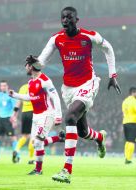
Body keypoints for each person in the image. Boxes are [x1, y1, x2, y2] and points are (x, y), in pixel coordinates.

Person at [26, 7, 121, 183]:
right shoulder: (56, 39)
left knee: (69, 116)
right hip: (68, 88)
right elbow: (41, 63)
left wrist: (112, 75)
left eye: (69, 17)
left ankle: (66, 170)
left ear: (77, 20)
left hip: (87, 83)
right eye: (63, 17)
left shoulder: (89, 36)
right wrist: (34, 63)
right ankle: (100, 137)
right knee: (82, 131)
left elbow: (108, 48)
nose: (65, 20)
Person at [9, 60, 63, 175]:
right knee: (35, 143)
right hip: (36, 116)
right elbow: (30, 97)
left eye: (26, 66)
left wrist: (58, 115)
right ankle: (58, 138)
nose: (25, 68)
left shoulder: (45, 81)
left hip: (47, 114)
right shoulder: (30, 82)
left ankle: (38, 170)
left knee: (38, 142)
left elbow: (56, 98)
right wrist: (15, 95)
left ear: (31, 67)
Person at [10, 83, 35, 164]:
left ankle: (16, 150)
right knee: (33, 136)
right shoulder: (37, 85)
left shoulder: (23, 87)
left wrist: (13, 115)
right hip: (34, 112)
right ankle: (31, 159)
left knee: (25, 136)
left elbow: (18, 103)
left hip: (24, 113)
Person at [122, 87, 136, 164]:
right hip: (133, 122)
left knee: (128, 141)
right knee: (131, 141)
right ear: (134, 93)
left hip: (125, 122)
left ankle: (126, 157)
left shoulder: (125, 101)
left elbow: (123, 112)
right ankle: (128, 159)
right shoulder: (133, 101)